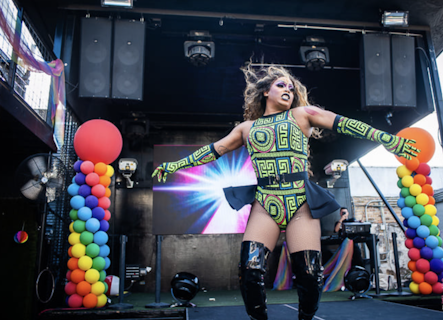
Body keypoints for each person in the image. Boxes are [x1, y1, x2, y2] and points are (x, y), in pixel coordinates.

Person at [152, 64, 419, 320]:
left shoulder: (302, 114)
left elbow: (343, 123)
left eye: (291, 87)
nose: (288, 89)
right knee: (250, 269)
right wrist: (176, 164)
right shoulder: (246, 128)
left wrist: (388, 139)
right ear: (266, 91)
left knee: (309, 273)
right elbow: (214, 150)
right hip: (266, 201)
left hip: (300, 202)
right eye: (281, 85)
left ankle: (305, 318)